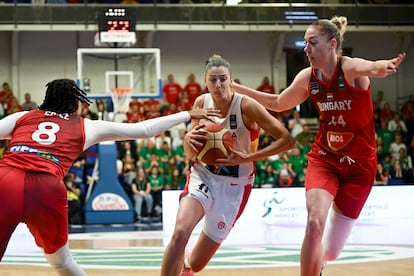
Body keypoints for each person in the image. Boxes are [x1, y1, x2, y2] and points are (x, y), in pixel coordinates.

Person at [231, 16, 406, 276]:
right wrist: (238, 90)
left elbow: (371, 67)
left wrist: (385, 66)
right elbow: (279, 102)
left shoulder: (349, 69)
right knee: (314, 222)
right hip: (325, 159)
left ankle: (321, 262)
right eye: (305, 45)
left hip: (360, 167)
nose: (307, 49)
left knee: (331, 251)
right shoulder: (307, 78)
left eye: (312, 43)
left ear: (332, 44)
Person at [0, 78, 220, 276]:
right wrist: (186, 114)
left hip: (5, 179)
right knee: (61, 262)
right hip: (45, 187)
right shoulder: (86, 125)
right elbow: (143, 130)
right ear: (73, 103)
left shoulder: (23, 116)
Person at [160, 54, 295, 276]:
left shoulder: (247, 106)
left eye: (223, 79)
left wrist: (247, 158)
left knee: (194, 264)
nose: (218, 84)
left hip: (235, 185)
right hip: (203, 175)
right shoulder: (201, 103)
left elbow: (287, 140)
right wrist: (186, 141)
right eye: (213, 79)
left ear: (231, 81)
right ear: (205, 81)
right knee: (180, 232)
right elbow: (191, 154)